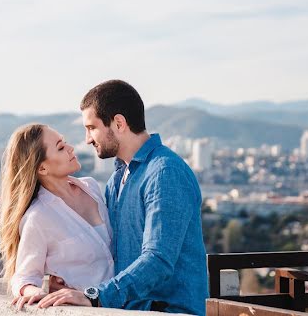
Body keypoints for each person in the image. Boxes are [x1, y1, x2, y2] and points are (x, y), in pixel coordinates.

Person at [37, 79, 208, 314]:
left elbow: (158, 260)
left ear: (118, 123)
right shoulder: (117, 180)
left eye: (91, 128)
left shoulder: (165, 172)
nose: (87, 139)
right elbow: (108, 253)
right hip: (130, 310)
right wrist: (72, 281)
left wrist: (96, 296)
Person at [0, 123, 114, 310]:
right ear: (42, 169)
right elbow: (24, 278)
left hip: (125, 305)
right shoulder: (38, 218)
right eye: (60, 147)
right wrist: (38, 293)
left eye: (65, 142)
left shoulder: (92, 188)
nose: (70, 148)